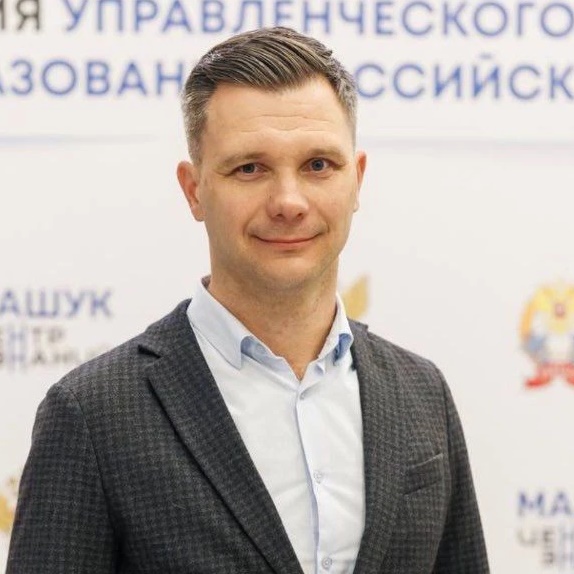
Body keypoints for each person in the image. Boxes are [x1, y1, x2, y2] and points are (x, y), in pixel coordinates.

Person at [7, 27, 489, 574]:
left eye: (318, 165)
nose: (288, 202)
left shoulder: (423, 394)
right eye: (250, 168)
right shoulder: (92, 416)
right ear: (194, 190)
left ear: (356, 181)